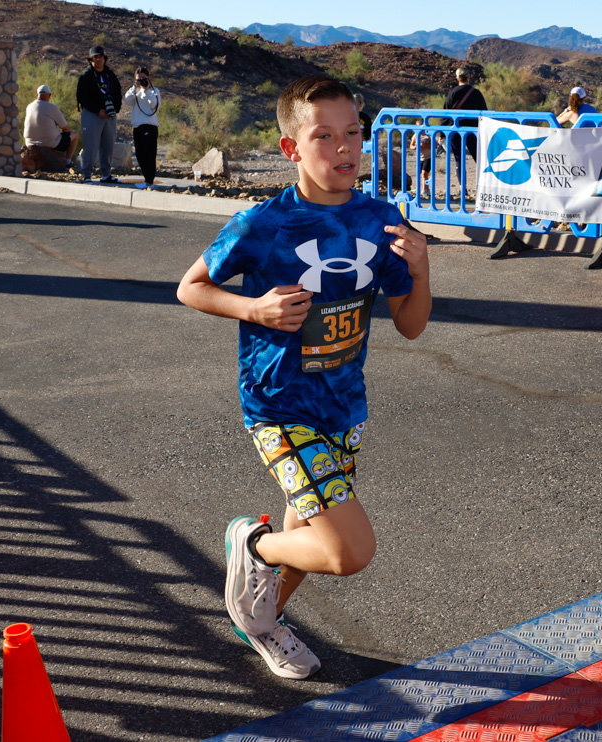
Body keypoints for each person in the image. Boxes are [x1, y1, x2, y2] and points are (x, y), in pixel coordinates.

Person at [176, 75, 431, 680]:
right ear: (292, 148)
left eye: (354, 134)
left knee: (308, 536)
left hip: (344, 406)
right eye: (325, 136)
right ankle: (251, 545)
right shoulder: (263, 225)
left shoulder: (380, 220)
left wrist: (421, 271)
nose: (345, 148)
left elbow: (412, 326)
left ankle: (262, 624)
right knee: (347, 551)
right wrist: (253, 308)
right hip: (278, 407)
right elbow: (191, 287)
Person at [76, 45, 122, 184]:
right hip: (92, 114)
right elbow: (81, 97)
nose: (98, 59)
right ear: (90, 60)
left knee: (108, 145)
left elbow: (118, 93)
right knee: (91, 145)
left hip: (109, 115)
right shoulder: (86, 76)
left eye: (100, 57)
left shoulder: (110, 75)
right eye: (95, 57)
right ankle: (87, 174)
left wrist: (114, 109)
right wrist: (97, 110)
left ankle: (106, 174)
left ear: (104, 58)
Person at [443, 67, 487, 180]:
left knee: (459, 160)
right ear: (469, 77)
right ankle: (484, 186)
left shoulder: (452, 93)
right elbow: (484, 113)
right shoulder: (476, 93)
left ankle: (463, 190)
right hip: (473, 131)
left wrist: (442, 134)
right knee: (480, 159)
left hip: (455, 130)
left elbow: (445, 113)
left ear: (457, 78)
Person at [123, 67, 161, 190]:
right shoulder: (135, 91)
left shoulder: (155, 91)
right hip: (137, 126)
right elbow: (127, 101)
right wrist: (135, 87)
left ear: (148, 77)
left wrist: (146, 89)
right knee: (140, 155)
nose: (141, 81)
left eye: (143, 78)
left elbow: (154, 106)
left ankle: (149, 182)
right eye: (138, 79)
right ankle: (147, 180)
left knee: (149, 155)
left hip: (149, 126)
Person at [23, 85, 79, 168]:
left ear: (37, 95)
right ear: (49, 95)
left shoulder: (29, 106)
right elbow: (66, 128)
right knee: (75, 135)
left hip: (29, 143)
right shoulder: (52, 107)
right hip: (50, 143)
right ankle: (68, 162)